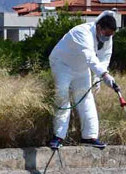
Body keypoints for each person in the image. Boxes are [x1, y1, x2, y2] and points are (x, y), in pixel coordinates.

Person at [48, 11, 119, 150]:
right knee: (63, 98)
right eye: (106, 34)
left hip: (81, 68)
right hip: (62, 65)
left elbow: (105, 57)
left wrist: (98, 77)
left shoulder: (107, 38)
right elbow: (91, 58)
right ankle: (58, 137)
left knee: (86, 99)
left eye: (110, 35)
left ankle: (89, 136)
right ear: (99, 27)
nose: (107, 38)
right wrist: (105, 75)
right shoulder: (82, 32)